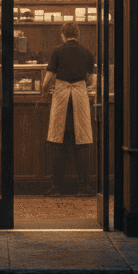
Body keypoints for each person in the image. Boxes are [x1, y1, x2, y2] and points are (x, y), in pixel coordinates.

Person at [41, 22, 96, 196]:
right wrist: (83, 86)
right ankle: (84, 187)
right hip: (79, 96)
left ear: (63, 34)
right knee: (82, 141)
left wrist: (43, 90)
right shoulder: (87, 52)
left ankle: (55, 187)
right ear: (77, 34)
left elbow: (49, 77)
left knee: (58, 141)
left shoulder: (57, 51)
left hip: (62, 96)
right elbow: (93, 81)